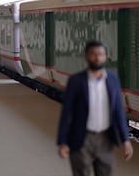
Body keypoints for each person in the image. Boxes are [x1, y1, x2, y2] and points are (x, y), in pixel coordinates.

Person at [57, 40, 133, 176]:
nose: (97, 57)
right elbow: (66, 113)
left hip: (105, 139)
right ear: (86, 56)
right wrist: (63, 142)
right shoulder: (76, 81)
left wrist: (126, 140)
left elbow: (118, 112)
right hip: (81, 138)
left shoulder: (113, 79)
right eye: (93, 54)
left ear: (105, 56)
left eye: (101, 54)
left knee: (106, 171)